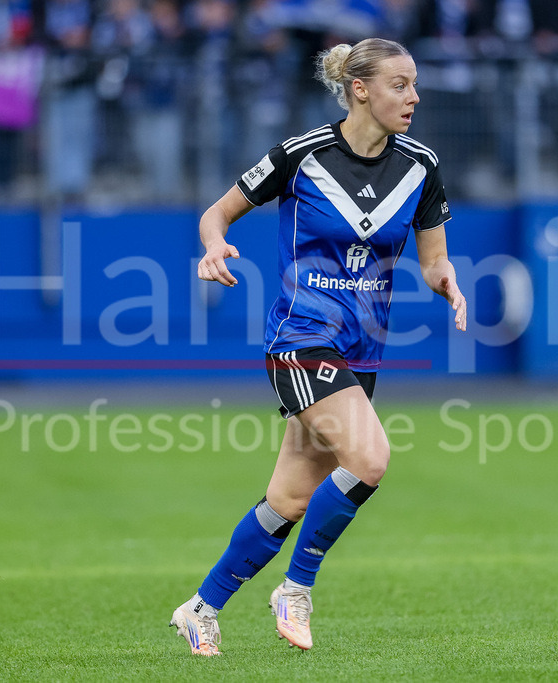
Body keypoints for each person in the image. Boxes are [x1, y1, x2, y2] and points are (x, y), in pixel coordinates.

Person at [169, 37, 467, 656]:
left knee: (289, 500)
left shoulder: (421, 165)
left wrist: (448, 283)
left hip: (362, 353)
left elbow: (434, 259)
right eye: (399, 84)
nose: (413, 97)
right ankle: (296, 588)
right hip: (301, 342)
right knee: (371, 459)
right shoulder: (302, 155)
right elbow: (216, 214)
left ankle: (201, 607)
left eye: (414, 85)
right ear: (360, 89)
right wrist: (213, 245)